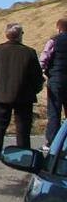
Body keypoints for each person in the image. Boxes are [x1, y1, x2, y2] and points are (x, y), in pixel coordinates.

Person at [0, 23, 42, 160]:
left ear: (7, 35)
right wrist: (33, 90)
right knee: (23, 127)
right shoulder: (29, 52)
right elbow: (37, 77)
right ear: (20, 35)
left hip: (1, 95)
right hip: (24, 95)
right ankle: (23, 155)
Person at [42, 18, 67, 146]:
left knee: (54, 113)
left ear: (58, 28)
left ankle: (52, 142)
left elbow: (44, 59)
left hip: (56, 79)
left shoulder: (54, 41)